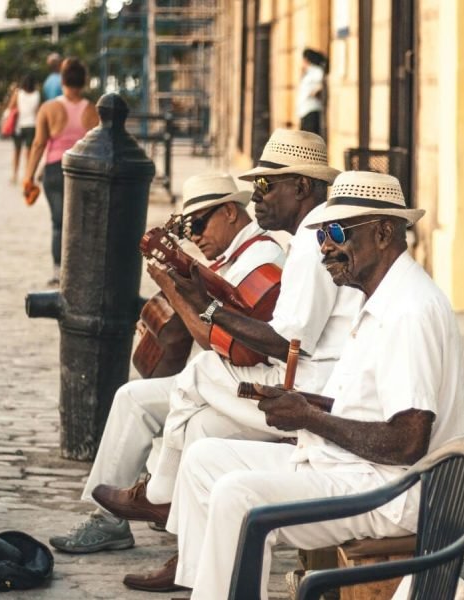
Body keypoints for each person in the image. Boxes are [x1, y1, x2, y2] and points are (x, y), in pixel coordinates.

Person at [134, 170, 464, 598]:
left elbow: (408, 441)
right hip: (356, 468)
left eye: (336, 232)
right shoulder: (380, 297)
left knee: (239, 494)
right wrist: (303, 405)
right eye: (320, 236)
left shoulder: (408, 311)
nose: (326, 246)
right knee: (204, 459)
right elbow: (369, 408)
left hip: (393, 490)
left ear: (384, 232)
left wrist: (309, 418)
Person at [92, 129, 364, 592]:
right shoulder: (307, 239)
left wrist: (210, 308)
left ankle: (158, 494)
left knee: (199, 371)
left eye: (266, 186)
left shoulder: (315, 241)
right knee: (201, 433)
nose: (259, 198)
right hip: (311, 377)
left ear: (301, 187)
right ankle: (191, 571)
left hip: (312, 392)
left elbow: (285, 343)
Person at [48, 173, 286, 554]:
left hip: (244, 381)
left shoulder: (261, 258)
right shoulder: (231, 258)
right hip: (219, 377)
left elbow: (224, 343)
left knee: (149, 404)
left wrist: (176, 291)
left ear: (229, 212)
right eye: (187, 228)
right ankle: (118, 514)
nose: (194, 236)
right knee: (133, 398)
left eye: (198, 224)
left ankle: (154, 504)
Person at [24, 58, 99, 285]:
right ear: (84, 81)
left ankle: (58, 272)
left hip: (55, 169)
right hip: (84, 170)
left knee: (59, 222)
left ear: (62, 80)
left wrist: (28, 176)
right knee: (83, 222)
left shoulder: (48, 109)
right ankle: (81, 269)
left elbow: (38, 144)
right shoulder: (93, 111)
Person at [7, 74, 40, 184]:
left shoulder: (18, 93)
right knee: (29, 152)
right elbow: (37, 111)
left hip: (19, 126)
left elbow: (11, 106)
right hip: (32, 125)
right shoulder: (36, 94)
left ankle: (15, 175)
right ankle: (27, 175)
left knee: (17, 151)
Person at [297, 48, 326, 135]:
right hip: (304, 110)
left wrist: (314, 92)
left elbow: (321, 84)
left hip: (312, 108)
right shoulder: (307, 72)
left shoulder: (316, 71)